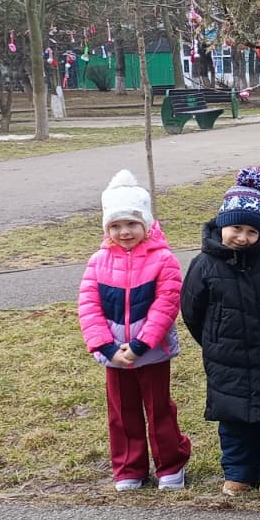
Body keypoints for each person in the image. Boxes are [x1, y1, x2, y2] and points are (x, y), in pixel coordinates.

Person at [181, 167, 260, 497]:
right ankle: (238, 471)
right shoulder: (204, 264)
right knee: (233, 419)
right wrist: (214, 340)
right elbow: (192, 310)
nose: (243, 237)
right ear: (222, 225)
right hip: (226, 357)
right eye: (236, 228)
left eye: (252, 231)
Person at [77, 170, 192, 492]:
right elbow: (89, 307)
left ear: (147, 224)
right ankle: (129, 467)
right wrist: (107, 347)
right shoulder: (98, 261)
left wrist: (141, 344)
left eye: (131, 223)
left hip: (152, 352)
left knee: (159, 410)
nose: (124, 232)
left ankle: (171, 464)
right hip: (113, 354)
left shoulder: (164, 259)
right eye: (115, 225)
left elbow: (166, 304)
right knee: (122, 412)